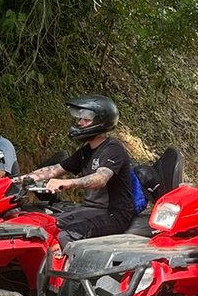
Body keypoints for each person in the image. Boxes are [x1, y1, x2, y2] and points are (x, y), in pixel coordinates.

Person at [26, 95, 135, 245]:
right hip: (90, 209)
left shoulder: (113, 148)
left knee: (66, 236)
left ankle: (66, 268)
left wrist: (68, 183)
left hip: (113, 213)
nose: (79, 122)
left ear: (100, 122)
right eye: (80, 118)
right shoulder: (86, 151)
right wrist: (20, 179)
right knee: (47, 225)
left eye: (86, 119)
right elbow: (55, 169)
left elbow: (100, 179)